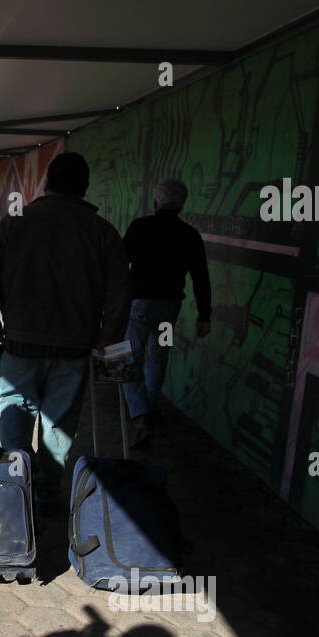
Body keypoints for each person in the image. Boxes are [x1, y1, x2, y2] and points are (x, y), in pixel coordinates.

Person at [0, 152, 131, 515]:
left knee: (14, 426)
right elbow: (121, 290)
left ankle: (17, 489)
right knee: (58, 432)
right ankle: (46, 494)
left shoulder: (14, 224)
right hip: (73, 351)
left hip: (19, 347)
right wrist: (109, 334)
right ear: (85, 187)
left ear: (46, 182)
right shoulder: (103, 231)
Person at [120, 179, 211, 447]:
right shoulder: (190, 235)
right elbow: (201, 277)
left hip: (139, 307)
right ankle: (148, 408)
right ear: (181, 206)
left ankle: (140, 416)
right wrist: (204, 315)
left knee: (128, 359)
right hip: (170, 310)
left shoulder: (140, 227)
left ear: (155, 203)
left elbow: (119, 262)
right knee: (159, 357)